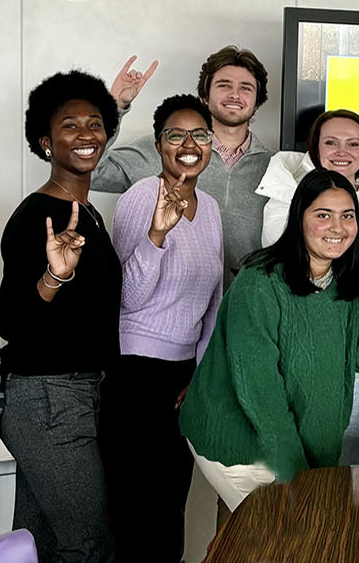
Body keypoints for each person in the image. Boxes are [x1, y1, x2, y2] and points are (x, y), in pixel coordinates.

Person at [178, 169, 359, 509]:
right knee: (276, 538)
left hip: (296, 442)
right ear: (299, 218)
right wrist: (300, 478)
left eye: (347, 216)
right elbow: (260, 392)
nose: (337, 227)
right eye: (323, 215)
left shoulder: (343, 281)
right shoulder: (261, 282)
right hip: (241, 443)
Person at [0, 70, 123, 562]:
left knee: (38, 542)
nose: (86, 134)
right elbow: (11, 321)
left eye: (95, 124)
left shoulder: (86, 213)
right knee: (88, 544)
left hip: (75, 391)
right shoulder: (39, 217)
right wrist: (54, 277)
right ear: (46, 142)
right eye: (70, 126)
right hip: (46, 395)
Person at [256, 108, 359, 464]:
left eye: (353, 144)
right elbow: (298, 273)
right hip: (321, 355)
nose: (341, 151)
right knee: (318, 468)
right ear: (315, 149)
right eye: (330, 142)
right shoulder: (287, 198)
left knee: (358, 466)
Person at [103, 94, 225, 562]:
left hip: (182, 379)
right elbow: (126, 299)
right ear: (159, 145)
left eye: (200, 135)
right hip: (135, 375)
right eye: (177, 134)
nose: (189, 144)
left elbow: (213, 301)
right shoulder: (140, 197)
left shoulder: (210, 208)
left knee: (171, 508)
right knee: (138, 515)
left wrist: (200, 373)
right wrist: (157, 234)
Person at [93, 47, 274, 287]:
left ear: (257, 101)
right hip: (171, 312)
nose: (234, 94)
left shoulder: (276, 169)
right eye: (224, 85)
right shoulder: (165, 149)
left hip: (246, 312)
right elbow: (92, 171)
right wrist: (114, 107)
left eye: (246, 88)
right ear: (205, 95)